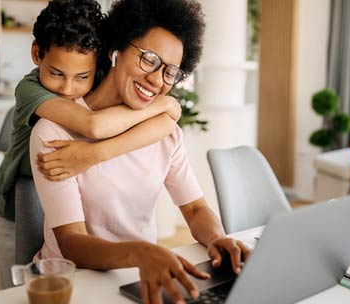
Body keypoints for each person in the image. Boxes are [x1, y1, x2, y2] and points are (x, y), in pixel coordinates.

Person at [30, 0, 250, 303]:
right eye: (149, 59)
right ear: (115, 50)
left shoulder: (164, 132)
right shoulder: (53, 131)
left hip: (139, 275)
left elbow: (195, 209)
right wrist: (141, 251)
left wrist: (217, 238)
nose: (157, 80)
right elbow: (71, 243)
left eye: (170, 71)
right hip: (73, 285)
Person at [0, 0, 181, 289]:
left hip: (66, 192)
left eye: (82, 77)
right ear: (36, 54)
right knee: (18, 290)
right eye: (56, 73)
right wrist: (164, 104)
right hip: (16, 206)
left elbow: (168, 124)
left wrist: (169, 110)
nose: (68, 90)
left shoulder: (97, 81)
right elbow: (94, 126)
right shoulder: (30, 89)